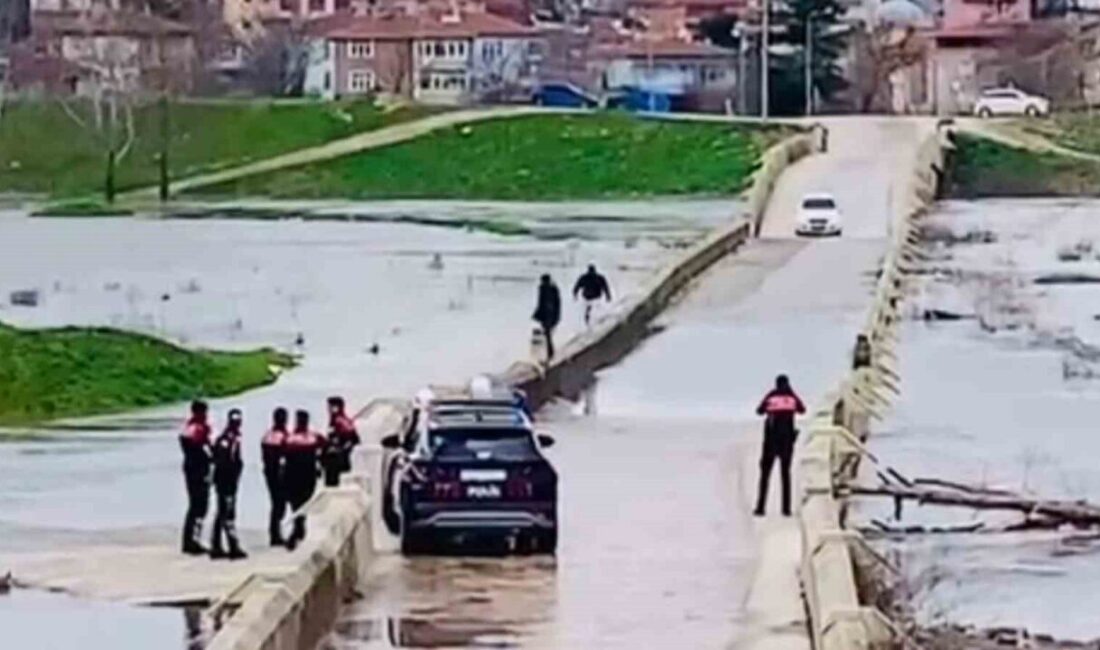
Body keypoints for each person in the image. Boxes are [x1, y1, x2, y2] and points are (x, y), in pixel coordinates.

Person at [754, 375, 806, 517]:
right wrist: (791, 393)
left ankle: (760, 507)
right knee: (785, 475)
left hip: (770, 441)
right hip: (787, 442)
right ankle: (786, 509)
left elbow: (759, 410)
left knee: (765, 475)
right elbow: (802, 409)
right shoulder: (791, 397)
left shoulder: (772, 396)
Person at [283, 410, 326, 550]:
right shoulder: (314, 438)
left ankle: (298, 528)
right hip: (308, 476)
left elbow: (282, 456)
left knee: (296, 504)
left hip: (293, 476)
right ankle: (298, 528)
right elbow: (325, 446)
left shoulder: (289, 439)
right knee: (303, 502)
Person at [210, 408, 247, 560]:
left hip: (224, 480)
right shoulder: (229, 440)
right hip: (227, 481)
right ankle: (233, 546)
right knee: (228, 514)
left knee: (221, 513)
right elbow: (226, 462)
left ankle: (216, 546)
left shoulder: (227, 439)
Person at [180, 400, 213, 555]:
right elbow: (205, 450)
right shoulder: (198, 429)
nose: (206, 416)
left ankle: (189, 540)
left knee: (194, 505)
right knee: (200, 505)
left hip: (190, 468)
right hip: (198, 470)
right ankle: (193, 541)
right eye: (204, 412)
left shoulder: (187, 428)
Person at [261, 408, 289, 547]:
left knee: (276, 502)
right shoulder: (283, 436)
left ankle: (274, 532)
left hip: (268, 473)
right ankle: (275, 535)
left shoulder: (267, 435)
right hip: (279, 473)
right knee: (280, 504)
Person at [321, 396, 360, 488]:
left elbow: (353, 440)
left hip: (336, 463)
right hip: (337, 461)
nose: (328, 410)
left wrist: (340, 451)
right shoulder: (338, 421)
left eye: (330, 407)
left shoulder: (341, 422)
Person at [532, 274, 562, 360]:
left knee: (547, 334)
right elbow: (541, 302)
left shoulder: (548, 288)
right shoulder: (549, 288)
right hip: (547, 314)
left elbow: (555, 303)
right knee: (546, 334)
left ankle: (549, 353)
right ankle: (548, 352)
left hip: (549, 315)